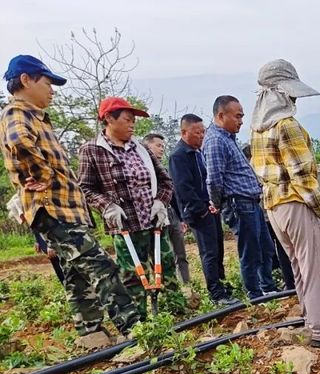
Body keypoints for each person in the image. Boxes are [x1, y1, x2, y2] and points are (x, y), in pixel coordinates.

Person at [0, 55, 139, 337]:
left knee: (76, 272)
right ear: (26, 80)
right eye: (47, 82)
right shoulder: (17, 113)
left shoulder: (38, 118)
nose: (52, 90)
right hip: (53, 208)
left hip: (66, 209)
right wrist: (43, 176)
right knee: (101, 266)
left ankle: (90, 332)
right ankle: (136, 327)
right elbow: (18, 142)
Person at [249, 59, 320, 349]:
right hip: (295, 203)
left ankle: (310, 317)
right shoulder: (287, 126)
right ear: (282, 93)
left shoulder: (258, 129)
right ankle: (318, 331)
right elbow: (302, 177)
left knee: (299, 267)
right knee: (315, 268)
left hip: (273, 206)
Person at [78, 97, 186, 319]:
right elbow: (86, 188)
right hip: (126, 225)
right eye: (127, 119)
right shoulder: (92, 150)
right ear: (109, 118)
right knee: (133, 276)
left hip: (154, 222)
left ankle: (178, 314)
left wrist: (160, 202)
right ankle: (142, 323)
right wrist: (107, 206)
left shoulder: (141, 149)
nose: (132, 125)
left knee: (165, 266)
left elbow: (165, 181)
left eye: (133, 121)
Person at [203, 95, 278, 300]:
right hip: (238, 203)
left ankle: (267, 287)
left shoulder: (228, 138)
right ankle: (255, 293)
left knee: (265, 247)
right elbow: (214, 179)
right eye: (237, 116)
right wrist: (218, 204)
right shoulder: (216, 141)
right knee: (250, 250)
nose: (241, 120)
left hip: (251, 202)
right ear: (221, 115)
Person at [169, 114, 236, 306]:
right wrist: (202, 209)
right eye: (197, 133)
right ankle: (216, 293)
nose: (201, 136)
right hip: (199, 213)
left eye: (203, 132)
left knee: (219, 248)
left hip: (210, 209)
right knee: (209, 252)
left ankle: (223, 286)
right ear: (184, 132)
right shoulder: (178, 156)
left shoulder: (198, 153)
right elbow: (183, 188)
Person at [241, 142, 295, 290]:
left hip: (268, 213)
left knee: (271, 249)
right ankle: (273, 284)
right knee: (273, 249)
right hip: (268, 213)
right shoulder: (255, 167)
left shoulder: (256, 166)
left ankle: (276, 283)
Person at [143, 132, 191, 284]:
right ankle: (165, 289)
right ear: (146, 145)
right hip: (154, 216)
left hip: (171, 213)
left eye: (163, 146)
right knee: (160, 255)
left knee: (180, 253)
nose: (161, 149)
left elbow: (173, 194)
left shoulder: (162, 169)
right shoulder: (141, 169)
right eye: (158, 145)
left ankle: (186, 286)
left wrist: (181, 218)